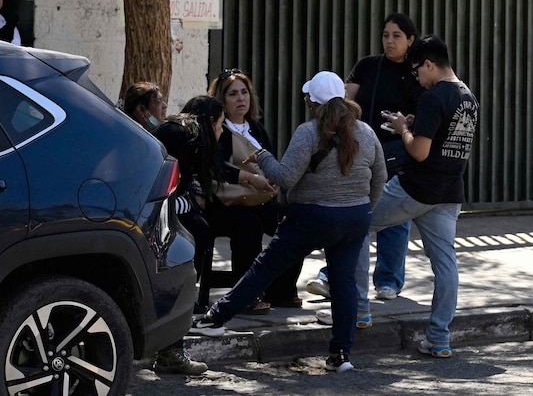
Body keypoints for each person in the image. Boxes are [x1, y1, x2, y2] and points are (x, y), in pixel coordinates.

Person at [192, 71, 387, 374]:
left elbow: (284, 178)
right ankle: (341, 355)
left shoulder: (308, 132)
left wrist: (261, 156)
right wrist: (364, 209)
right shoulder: (366, 132)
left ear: (312, 101)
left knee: (266, 266)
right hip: (355, 217)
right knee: (344, 282)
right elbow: (381, 178)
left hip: (312, 215)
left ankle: (215, 318)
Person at [365, 35, 479, 358]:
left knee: (356, 225)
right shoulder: (468, 97)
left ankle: (358, 311)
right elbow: (445, 136)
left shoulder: (433, 97)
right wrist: (417, 123)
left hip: (416, 189)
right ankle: (439, 338)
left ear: (429, 64)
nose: (418, 79)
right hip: (449, 192)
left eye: (418, 72)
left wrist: (403, 128)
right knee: (445, 265)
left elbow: (418, 151)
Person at [308, 13, 423, 321]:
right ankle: (331, 275)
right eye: (386, 34)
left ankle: (388, 280)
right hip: (362, 147)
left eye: (397, 35)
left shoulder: (416, 73)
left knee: (394, 217)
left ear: (410, 40)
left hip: (399, 150)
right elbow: (343, 97)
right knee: (353, 210)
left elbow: (427, 110)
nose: (390, 40)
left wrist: (409, 123)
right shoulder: (368, 65)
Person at [121, 86, 211, 376]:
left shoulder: (151, 137)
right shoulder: (144, 141)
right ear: (141, 110)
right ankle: (169, 350)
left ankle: (168, 350)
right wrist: (192, 204)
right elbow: (163, 195)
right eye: (157, 102)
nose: (163, 107)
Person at [209, 68, 303, 310]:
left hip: (258, 198)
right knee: (248, 225)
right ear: (221, 99)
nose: (241, 99)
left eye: (244, 92)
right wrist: (250, 178)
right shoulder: (219, 129)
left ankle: (282, 291)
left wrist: (272, 178)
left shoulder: (255, 128)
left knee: (294, 222)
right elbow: (215, 168)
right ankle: (246, 295)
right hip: (226, 202)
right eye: (233, 94)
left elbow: (269, 160)